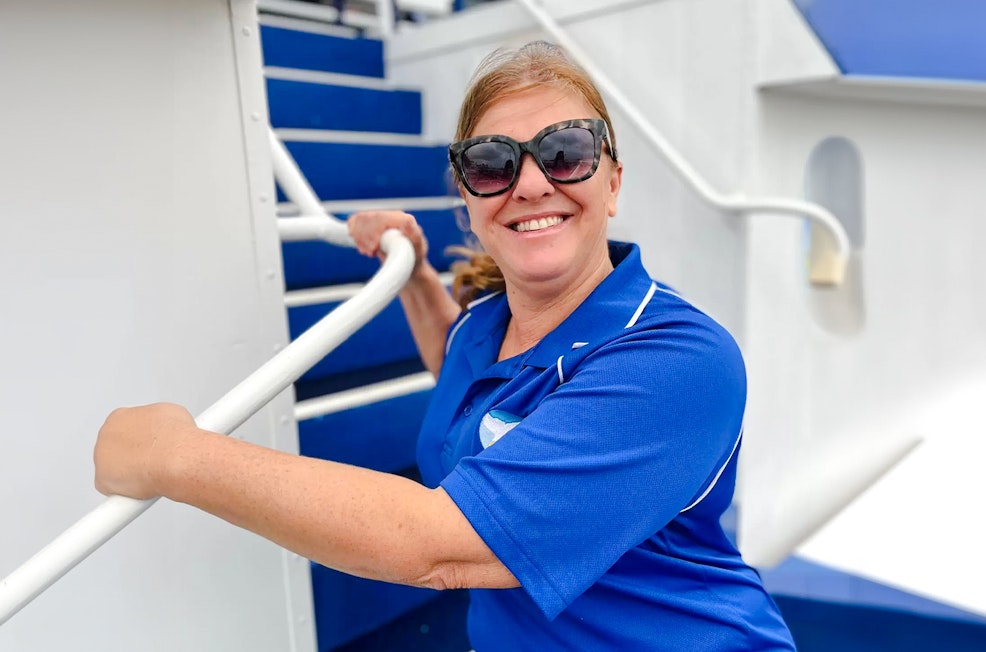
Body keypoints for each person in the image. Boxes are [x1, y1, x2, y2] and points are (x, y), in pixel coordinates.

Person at [94, 41, 796, 650]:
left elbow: (437, 548)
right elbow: (466, 383)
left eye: (567, 152)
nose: (530, 184)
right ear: (468, 198)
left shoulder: (677, 359)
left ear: (612, 183)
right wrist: (414, 274)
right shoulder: (485, 324)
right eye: (491, 164)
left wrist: (173, 457)